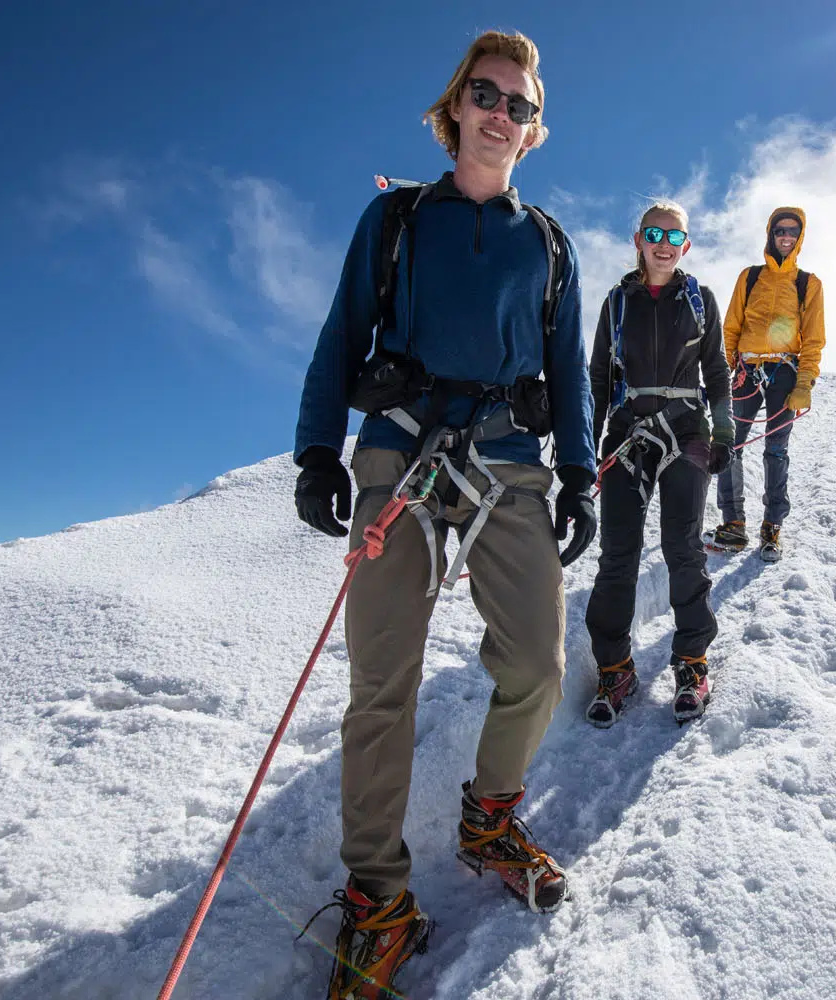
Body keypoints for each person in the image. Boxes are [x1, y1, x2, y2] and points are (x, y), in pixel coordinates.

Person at [291, 30, 594, 997]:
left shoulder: (548, 243)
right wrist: (315, 448)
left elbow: (571, 375)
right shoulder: (396, 221)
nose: (502, 113)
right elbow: (343, 331)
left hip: (509, 458)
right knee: (383, 681)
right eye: (488, 94)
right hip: (402, 449)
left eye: (520, 104)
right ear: (456, 106)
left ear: (533, 130)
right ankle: (378, 898)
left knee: (537, 664)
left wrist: (579, 474)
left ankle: (491, 815)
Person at [585, 201, 731, 727]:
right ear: (638, 239)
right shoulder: (616, 303)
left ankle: (692, 662)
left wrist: (724, 429)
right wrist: (584, 447)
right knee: (617, 554)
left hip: (686, 431)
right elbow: (599, 377)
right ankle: (615, 667)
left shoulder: (699, 300)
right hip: (628, 434)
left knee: (683, 545)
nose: (664, 243)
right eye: (654, 233)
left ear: (686, 245)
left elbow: (715, 369)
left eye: (674, 236)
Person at [708, 208, 825, 562]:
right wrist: (731, 366)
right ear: (770, 233)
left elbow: (814, 340)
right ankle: (734, 523)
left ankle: (772, 526)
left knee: (776, 450)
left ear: (800, 237)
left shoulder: (808, 284)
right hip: (747, 369)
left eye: (792, 231)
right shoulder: (750, 277)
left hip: (785, 373)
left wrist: (804, 382)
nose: (785, 236)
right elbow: (730, 327)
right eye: (780, 230)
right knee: (729, 445)